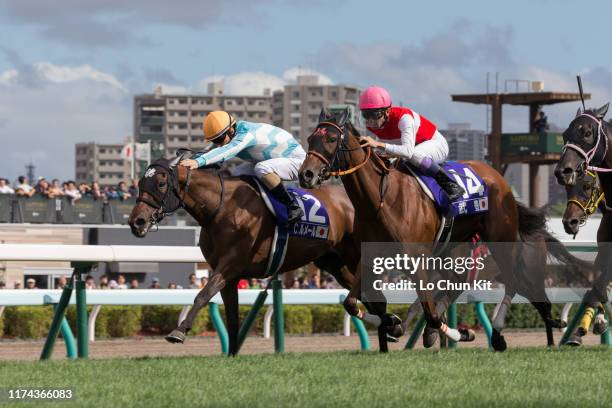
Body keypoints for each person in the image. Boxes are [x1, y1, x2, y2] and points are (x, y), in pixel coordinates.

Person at [179, 111, 306, 224]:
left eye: (220, 139)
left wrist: (198, 162)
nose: (218, 144)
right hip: (271, 160)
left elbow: (226, 151)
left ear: (231, 130)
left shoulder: (246, 134)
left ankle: (292, 206)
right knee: (235, 174)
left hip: (297, 162)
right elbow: (212, 152)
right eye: (215, 141)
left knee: (262, 168)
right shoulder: (229, 135)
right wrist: (192, 159)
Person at [358, 86, 465, 201]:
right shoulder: (374, 124)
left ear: (387, 111)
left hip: (436, 145)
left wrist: (377, 144)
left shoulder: (404, 118)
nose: (370, 121)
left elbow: (407, 152)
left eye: (374, 115)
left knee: (414, 155)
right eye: (366, 115)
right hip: (412, 149)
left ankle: (450, 185)